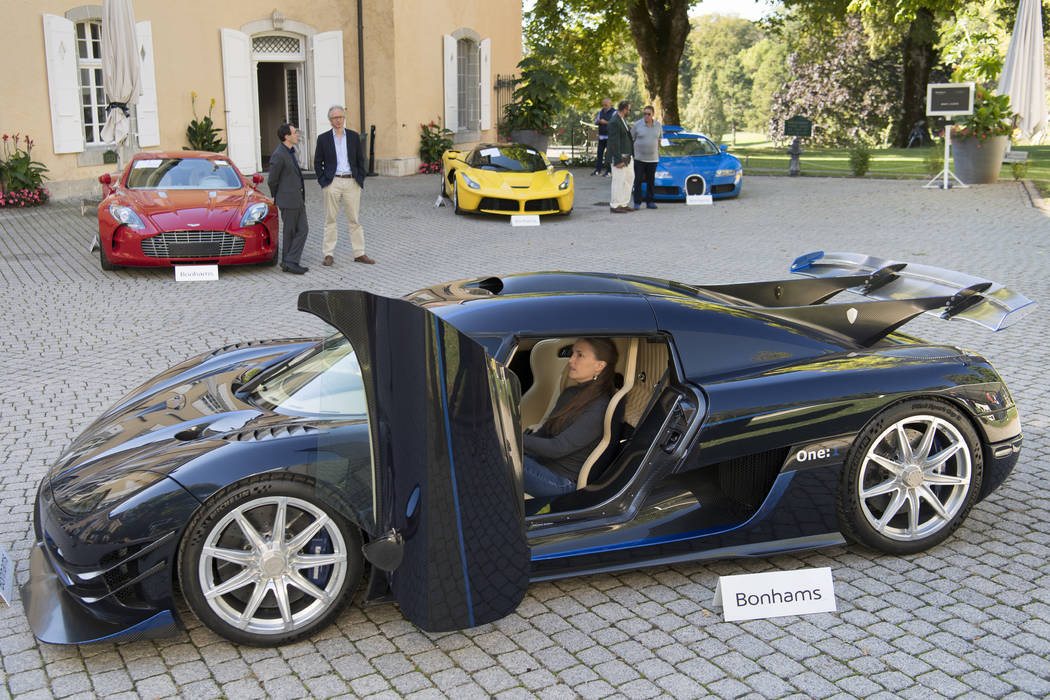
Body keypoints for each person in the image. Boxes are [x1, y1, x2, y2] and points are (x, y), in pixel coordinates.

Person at [523, 338, 619, 503]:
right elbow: (544, 432)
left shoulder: (600, 407)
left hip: (560, 483)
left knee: (494, 453)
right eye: (572, 353)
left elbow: (557, 448)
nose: (571, 360)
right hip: (543, 465)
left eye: (579, 355)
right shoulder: (570, 393)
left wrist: (512, 438)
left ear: (599, 366)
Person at [313, 105, 374, 266]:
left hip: (351, 181)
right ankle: (328, 254)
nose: (338, 120)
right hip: (332, 182)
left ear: (344, 118)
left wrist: (360, 178)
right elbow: (318, 162)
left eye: (340, 117)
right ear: (330, 120)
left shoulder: (353, 136)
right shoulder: (323, 138)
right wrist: (323, 181)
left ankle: (359, 253)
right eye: (335, 118)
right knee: (330, 219)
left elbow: (360, 159)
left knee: (354, 219)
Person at [267, 123, 309, 274]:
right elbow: (272, 180)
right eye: (294, 133)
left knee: (303, 229)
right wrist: (276, 196)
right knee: (290, 231)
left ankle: (289, 261)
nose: (297, 135)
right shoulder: (279, 154)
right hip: (287, 199)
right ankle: (289, 262)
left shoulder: (291, 151)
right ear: (287, 136)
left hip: (297, 198)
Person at [631, 105, 662, 210]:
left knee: (651, 181)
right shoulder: (637, 125)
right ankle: (637, 202)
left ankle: (650, 201)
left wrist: (655, 150)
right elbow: (632, 139)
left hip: (653, 159)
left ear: (653, 114)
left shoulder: (658, 125)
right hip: (639, 158)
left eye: (648, 114)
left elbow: (659, 139)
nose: (646, 116)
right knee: (638, 180)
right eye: (644, 114)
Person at [607, 101, 635, 213]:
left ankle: (623, 203)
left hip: (627, 155)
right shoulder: (614, 122)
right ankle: (615, 205)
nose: (629, 112)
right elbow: (614, 142)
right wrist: (617, 159)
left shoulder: (622, 120)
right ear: (624, 109)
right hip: (619, 156)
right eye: (629, 109)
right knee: (618, 181)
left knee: (629, 178)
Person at [592, 98, 615, 176]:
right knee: (599, 153)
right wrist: (597, 121)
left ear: (610, 104)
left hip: (610, 136)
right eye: (603, 105)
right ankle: (598, 170)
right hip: (601, 136)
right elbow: (595, 121)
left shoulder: (614, 112)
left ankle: (609, 171)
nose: (604, 106)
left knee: (608, 155)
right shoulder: (601, 112)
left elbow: (614, 123)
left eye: (606, 105)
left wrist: (606, 122)